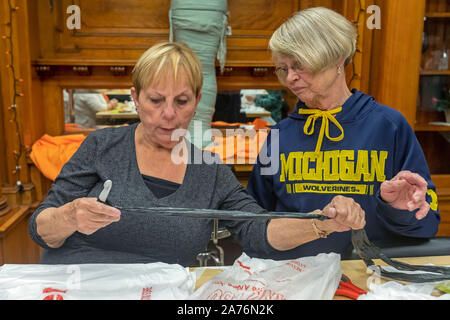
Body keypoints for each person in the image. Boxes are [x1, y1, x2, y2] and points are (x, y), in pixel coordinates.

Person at [29, 41, 365, 266]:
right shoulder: (102, 146)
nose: (169, 114)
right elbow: (40, 229)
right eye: (156, 100)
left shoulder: (209, 169)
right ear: (135, 97)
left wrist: (322, 223)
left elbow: (257, 233)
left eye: (182, 101)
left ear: (197, 101)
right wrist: (70, 216)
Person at [246, 7, 441, 259]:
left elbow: (427, 225)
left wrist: (398, 209)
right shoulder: (279, 136)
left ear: (337, 59)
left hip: (370, 282)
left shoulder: (389, 126)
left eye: (300, 65)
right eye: (283, 69)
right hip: (297, 280)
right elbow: (252, 229)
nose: (291, 78)